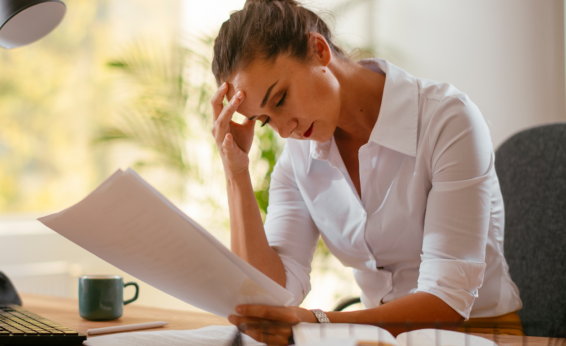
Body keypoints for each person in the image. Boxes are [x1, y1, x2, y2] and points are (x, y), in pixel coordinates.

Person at [209, 1, 523, 344]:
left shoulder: (448, 121)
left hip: (478, 334)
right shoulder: (298, 159)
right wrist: (236, 170)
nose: (285, 130)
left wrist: (317, 323)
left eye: (281, 99)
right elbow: (269, 296)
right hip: (374, 340)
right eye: (266, 119)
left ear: (318, 50)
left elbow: (447, 301)